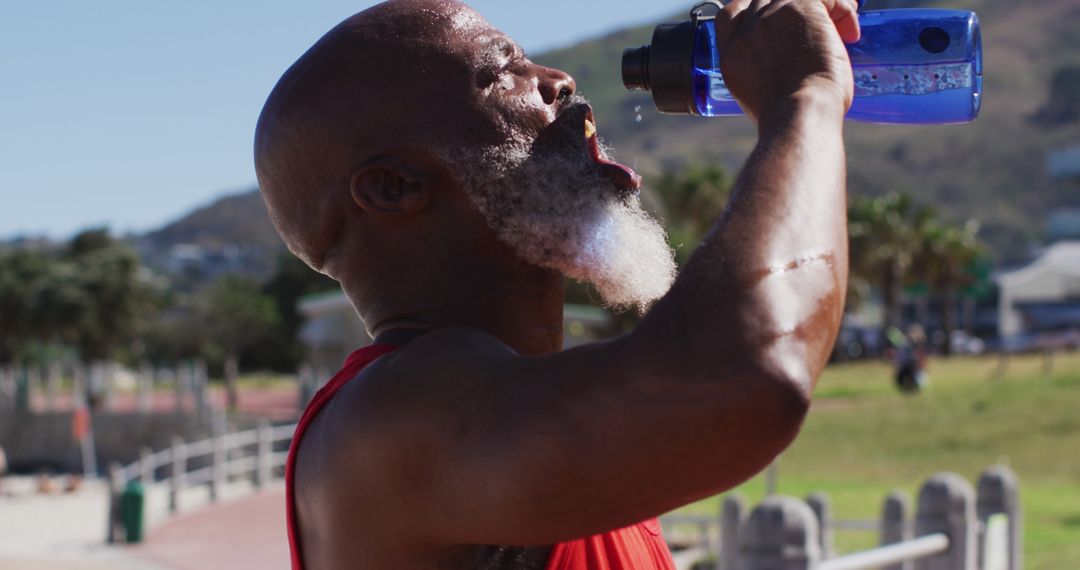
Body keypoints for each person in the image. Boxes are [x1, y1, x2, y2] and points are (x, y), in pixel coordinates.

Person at [255, 0, 859, 568]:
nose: (561, 80)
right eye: (499, 74)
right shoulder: (389, 418)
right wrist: (804, 95)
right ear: (395, 187)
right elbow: (747, 378)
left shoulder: (534, 408)